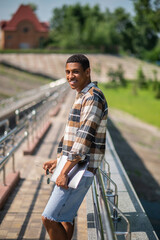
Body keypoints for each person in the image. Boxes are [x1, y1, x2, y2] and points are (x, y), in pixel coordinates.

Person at [42, 54, 108, 240]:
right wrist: (59, 160)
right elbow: (75, 136)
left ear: (87, 72)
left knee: (49, 218)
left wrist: (64, 171)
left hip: (80, 168)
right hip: (76, 165)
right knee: (65, 219)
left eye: (76, 72)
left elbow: (84, 138)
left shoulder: (92, 97)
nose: (70, 76)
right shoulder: (83, 95)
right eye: (68, 72)